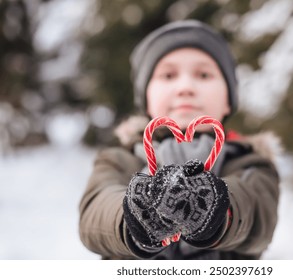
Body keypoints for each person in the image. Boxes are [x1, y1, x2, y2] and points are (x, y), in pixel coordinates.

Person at [79, 20, 280, 260]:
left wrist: (218, 211)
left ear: (229, 100)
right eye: (168, 75)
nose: (185, 87)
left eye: (204, 74)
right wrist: (131, 219)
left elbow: (257, 214)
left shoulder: (249, 162)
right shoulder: (119, 158)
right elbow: (94, 215)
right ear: (146, 100)